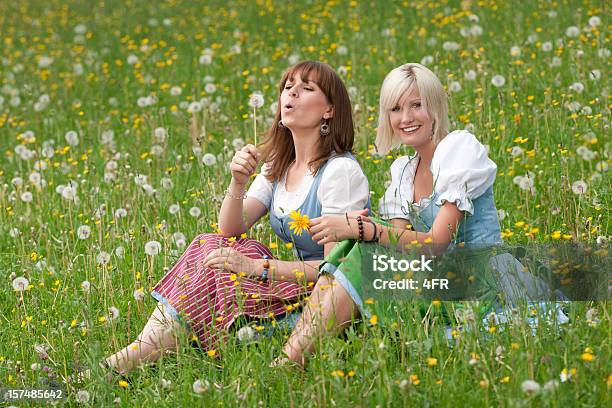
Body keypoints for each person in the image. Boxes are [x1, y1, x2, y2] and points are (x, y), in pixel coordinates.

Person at [73, 61, 370, 381]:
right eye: (288, 86)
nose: (292, 92)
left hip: (318, 305)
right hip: (292, 285)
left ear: (329, 110)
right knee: (210, 245)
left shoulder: (340, 172)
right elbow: (230, 229)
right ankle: (134, 354)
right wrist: (238, 182)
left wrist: (257, 268)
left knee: (222, 263)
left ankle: (120, 364)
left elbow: (335, 272)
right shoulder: (280, 165)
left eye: (307, 88)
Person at [278, 62, 560, 368]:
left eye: (417, 105)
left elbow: (436, 243)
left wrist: (367, 229)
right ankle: (294, 354)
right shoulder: (403, 172)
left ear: (435, 108)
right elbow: (397, 250)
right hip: (439, 285)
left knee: (362, 241)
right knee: (360, 250)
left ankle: (292, 360)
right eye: (396, 108)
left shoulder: (458, 150)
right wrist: (364, 232)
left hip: (483, 289)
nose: (406, 117)